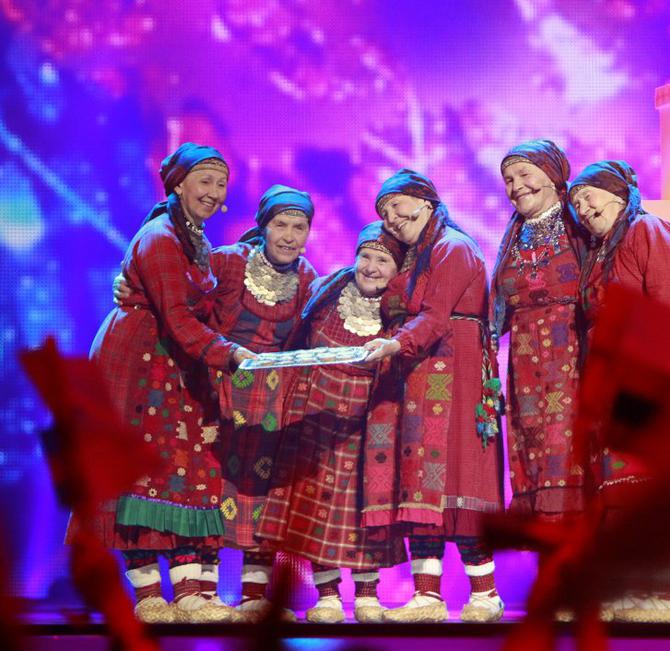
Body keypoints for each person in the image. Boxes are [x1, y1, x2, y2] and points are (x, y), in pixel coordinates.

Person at [77, 142, 254, 624]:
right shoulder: (160, 237)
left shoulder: (192, 238)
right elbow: (176, 316)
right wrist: (229, 354)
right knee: (137, 475)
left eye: (221, 184)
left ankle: (191, 593)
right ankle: (149, 594)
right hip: (138, 364)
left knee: (181, 470)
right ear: (178, 185)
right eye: (205, 181)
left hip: (175, 362)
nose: (214, 192)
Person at [362, 169, 505, 623]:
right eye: (383, 212)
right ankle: (427, 596)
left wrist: (394, 343)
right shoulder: (413, 257)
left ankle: (486, 594)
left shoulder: (452, 247)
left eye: (395, 205)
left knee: (460, 478)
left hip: (455, 367)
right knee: (422, 480)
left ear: (426, 203)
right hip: (419, 372)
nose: (390, 217)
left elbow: (436, 315)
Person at [569, 160, 670, 623]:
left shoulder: (648, 229)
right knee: (621, 488)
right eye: (576, 203)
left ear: (618, 194)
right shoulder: (601, 250)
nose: (582, 208)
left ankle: (664, 593)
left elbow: (666, 302)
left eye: (588, 196)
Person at [256, 222, 408, 623]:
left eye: (382, 261)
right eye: (365, 256)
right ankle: (326, 595)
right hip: (316, 413)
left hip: (367, 420)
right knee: (314, 505)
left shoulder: (401, 310)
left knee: (363, 505)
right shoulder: (325, 291)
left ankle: (367, 593)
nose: (371, 267)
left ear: (397, 269)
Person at [208, 184, 317, 621]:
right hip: (223, 390)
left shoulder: (308, 278)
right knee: (214, 489)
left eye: (299, 227)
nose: (289, 236)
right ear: (263, 227)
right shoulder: (228, 263)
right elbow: (183, 298)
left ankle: (255, 596)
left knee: (263, 494)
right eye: (281, 225)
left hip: (274, 400)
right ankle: (206, 595)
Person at [491, 139, 588, 519]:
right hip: (526, 361)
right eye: (508, 180)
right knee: (531, 442)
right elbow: (496, 307)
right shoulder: (513, 236)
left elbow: (620, 264)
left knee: (570, 444)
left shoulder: (580, 224)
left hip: (572, 355)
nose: (516, 187)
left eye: (523, 175)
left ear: (551, 175)